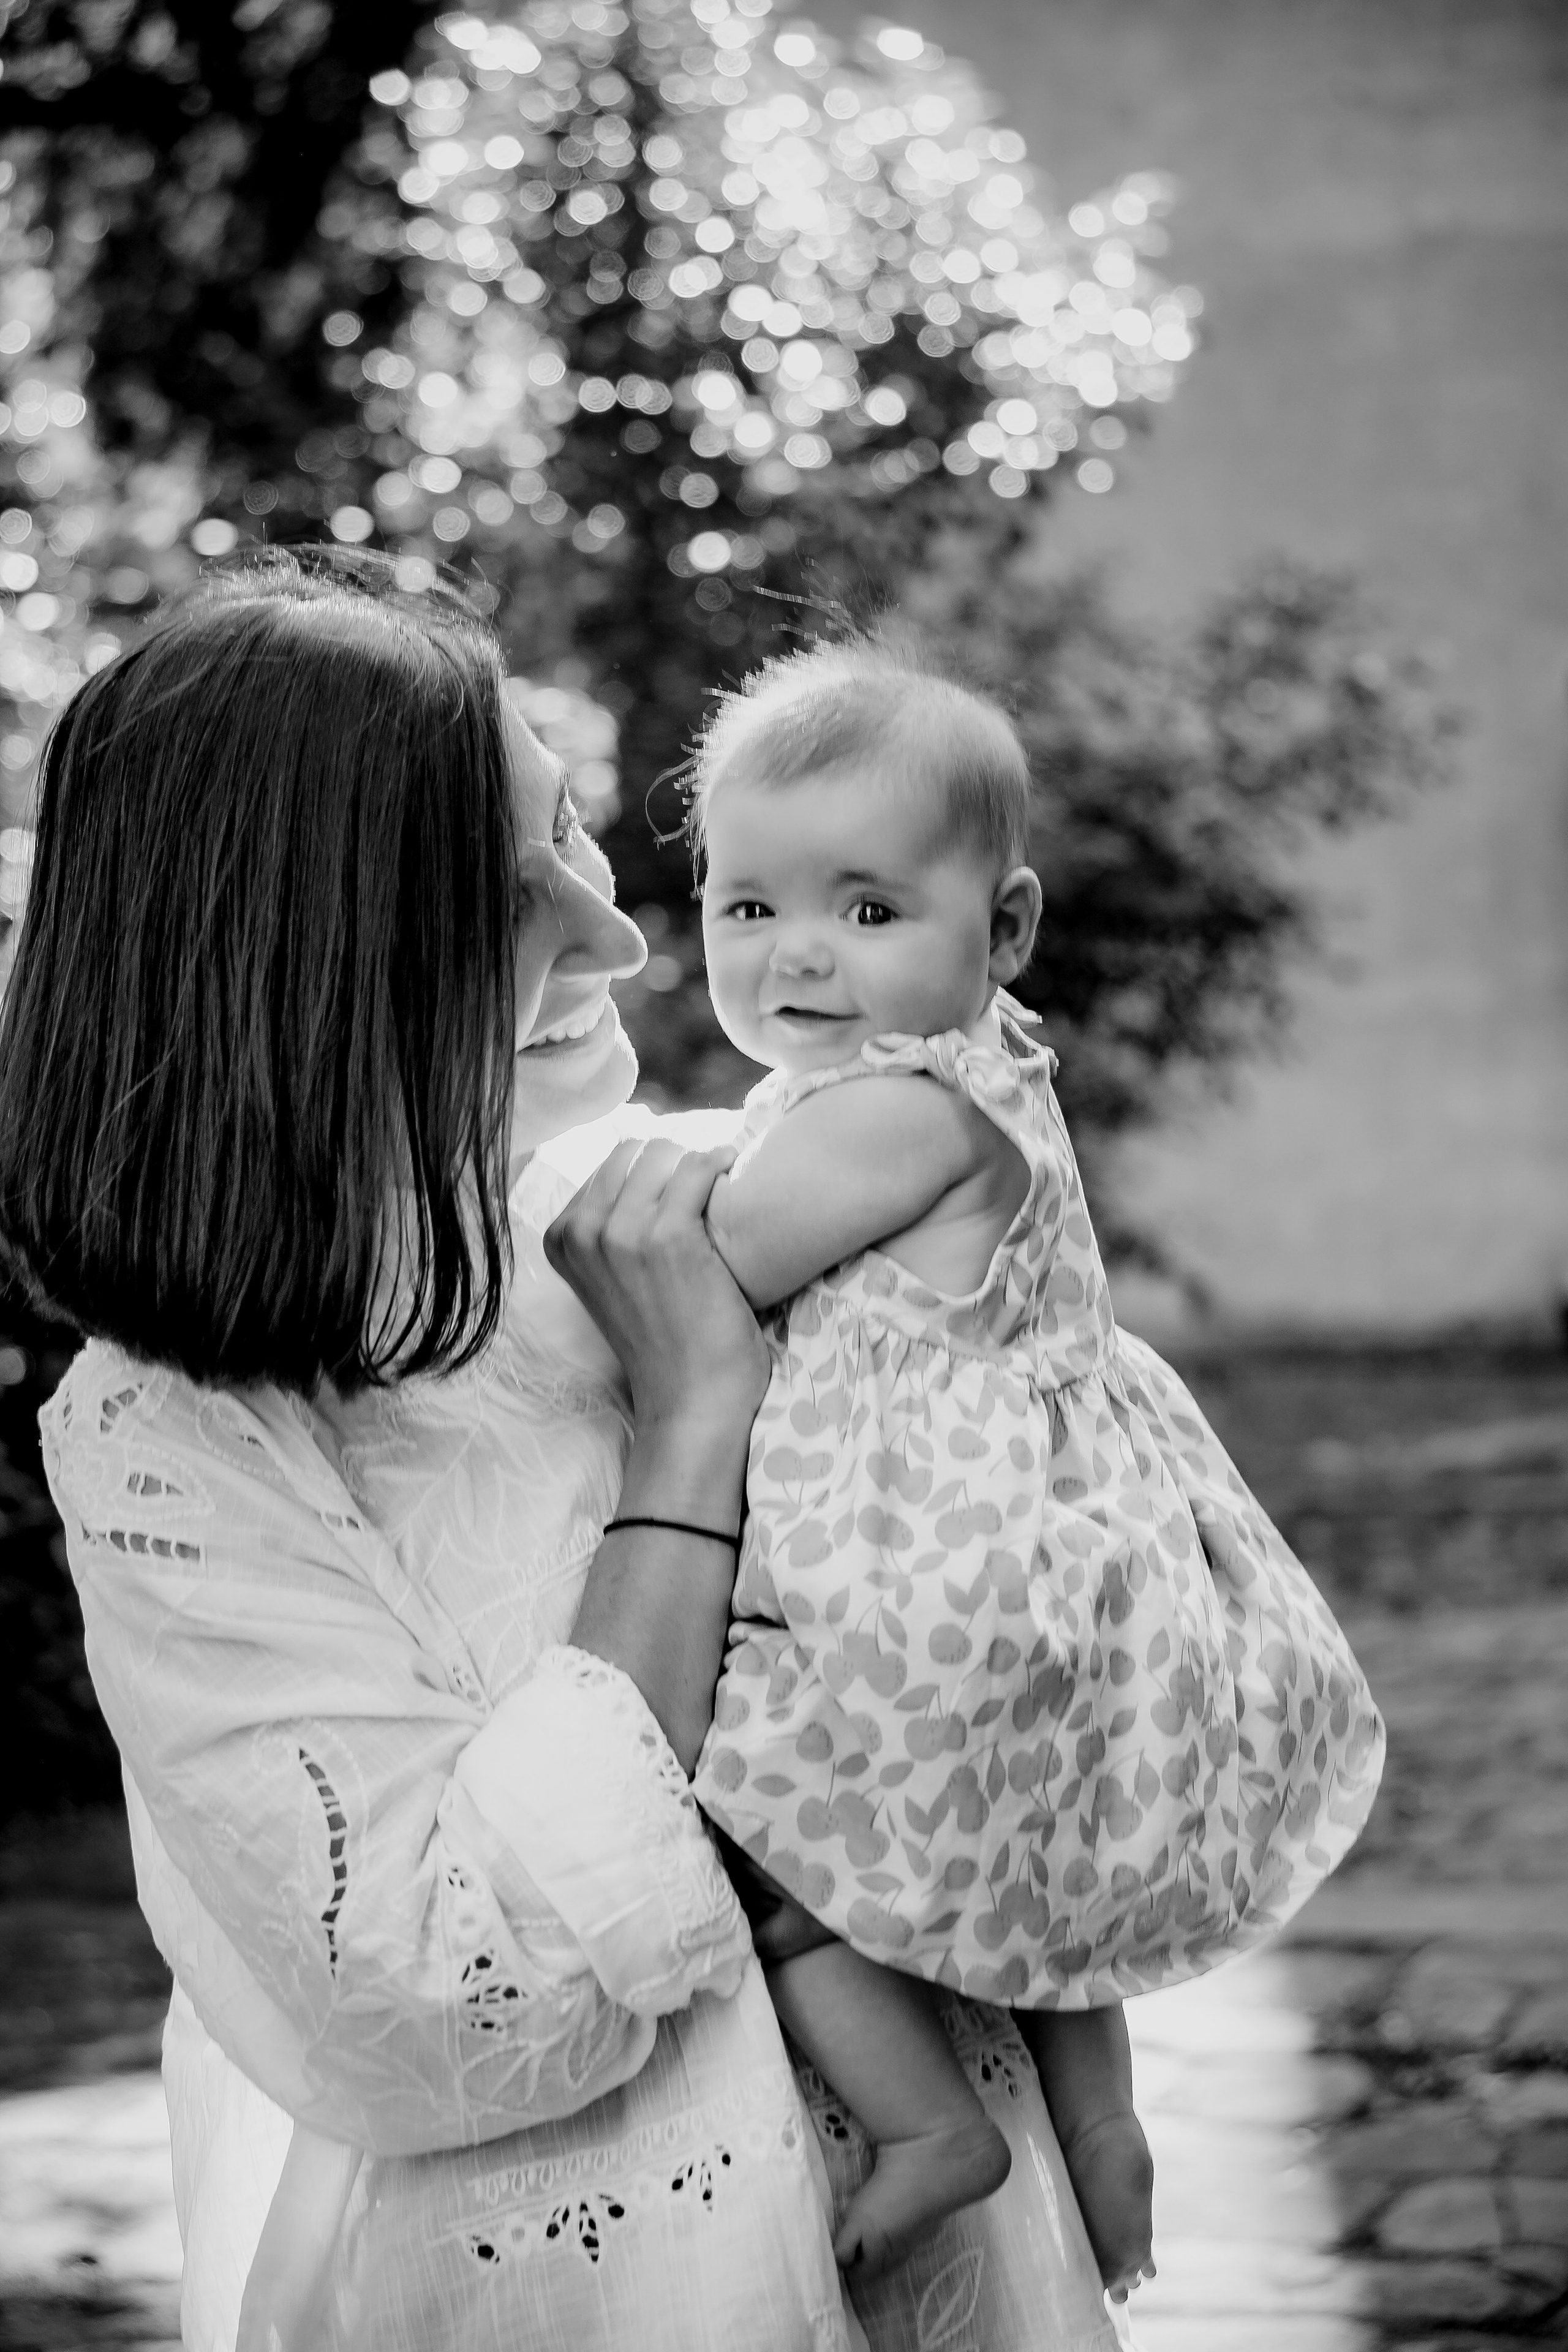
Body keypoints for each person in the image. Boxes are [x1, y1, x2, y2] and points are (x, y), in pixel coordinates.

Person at [0, 554, 1122, 2352]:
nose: (616, 938)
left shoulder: (701, 1204)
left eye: (570, 834)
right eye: (503, 896)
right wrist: (692, 1433)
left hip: (952, 2262)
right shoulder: (175, 1439)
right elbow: (435, 2006)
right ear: (301, 977)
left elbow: (1036, 1602)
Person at [684, 644, 1387, 2290]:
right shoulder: (988, 1068)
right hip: (1055, 1563)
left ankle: (928, 2124)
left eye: (868, 909)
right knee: (1038, 1860)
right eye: (748, 906)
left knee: (763, 1842)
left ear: (1004, 928)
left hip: (926, 1579)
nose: (798, 954)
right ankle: (1103, 2130)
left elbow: (706, 1268)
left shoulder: (893, 1114)